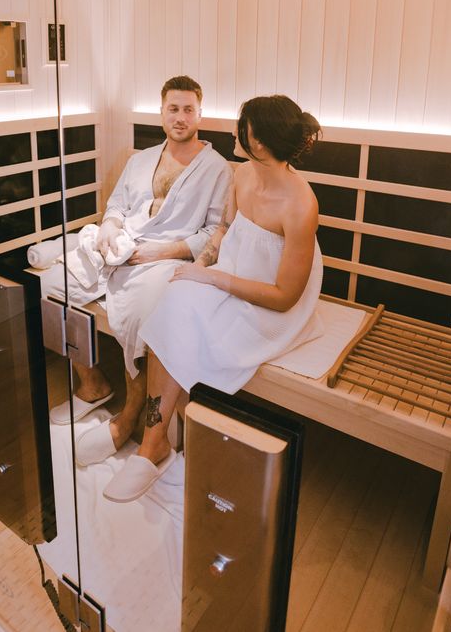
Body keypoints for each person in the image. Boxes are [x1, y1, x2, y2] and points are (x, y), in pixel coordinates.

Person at [102, 94, 324, 502]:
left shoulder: (300, 205)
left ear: (257, 142)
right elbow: (223, 232)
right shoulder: (241, 175)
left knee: (187, 314)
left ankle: (155, 447)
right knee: (170, 303)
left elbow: (284, 298)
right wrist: (202, 270)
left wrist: (215, 282)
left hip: (270, 301)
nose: (234, 129)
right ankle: (157, 444)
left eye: (243, 124)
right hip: (234, 273)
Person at [50, 76, 233, 467]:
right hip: (123, 248)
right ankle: (93, 383)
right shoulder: (140, 160)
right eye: (173, 108)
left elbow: (214, 233)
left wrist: (157, 252)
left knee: (144, 315)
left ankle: (130, 415)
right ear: (161, 111)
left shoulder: (217, 169)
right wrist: (111, 228)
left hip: (168, 258)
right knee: (54, 285)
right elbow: (115, 207)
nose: (180, 117)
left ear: (200, 113)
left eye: (188, 109)